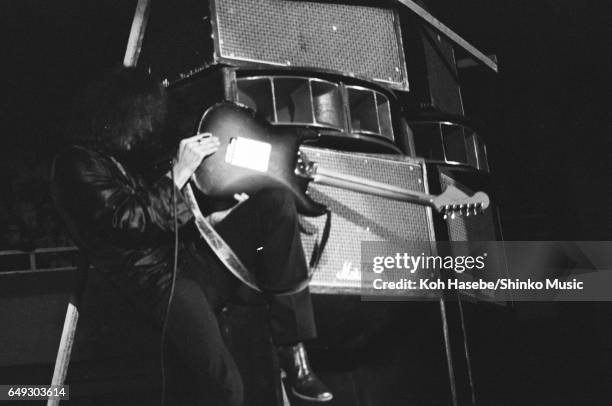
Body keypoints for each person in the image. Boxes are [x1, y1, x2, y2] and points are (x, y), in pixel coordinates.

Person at [50, 67, 333, 405]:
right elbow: (129, 221)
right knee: (225, 386)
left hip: (194, 260)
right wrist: (180, 170)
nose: (145, 131)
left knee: (275, 202)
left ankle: (293, 352)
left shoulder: (124, 159)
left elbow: (169, 215)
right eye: (142, 120)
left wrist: (218, 217)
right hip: (159, 283)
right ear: (121, 116)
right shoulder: (75, 165)